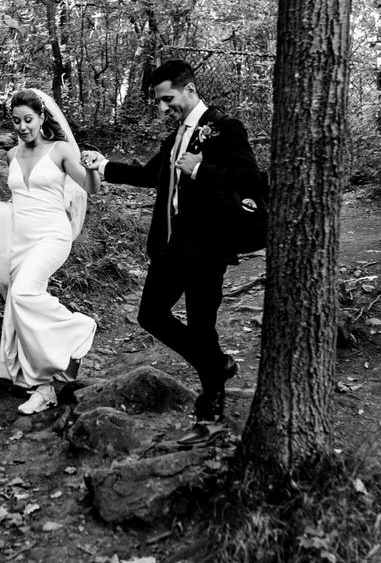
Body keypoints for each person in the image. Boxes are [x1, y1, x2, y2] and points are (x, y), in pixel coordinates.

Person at [81, 60, 260, 422]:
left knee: (201, 326)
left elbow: (249, 178)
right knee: (151, 315)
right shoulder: (177, 135)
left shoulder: (225, 128)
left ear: (190, 89)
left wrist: (199, 169)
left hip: (208, 247)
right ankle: (216, 364)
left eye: (168, 98)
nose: (164, 108)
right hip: (171, 244)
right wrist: (102, 165)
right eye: (160, 101)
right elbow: (151, 175)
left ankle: (211, 406)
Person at [0, 88, 100, 415]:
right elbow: (20, 196)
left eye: (28, 119)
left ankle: (78, 330)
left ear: (42, 118)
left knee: (22, 295)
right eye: (16, 120)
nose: (22, 126)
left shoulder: (61, 150)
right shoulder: (11, 156)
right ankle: (43, 388)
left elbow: (91, 188)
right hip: (21, 239)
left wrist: (91, 166)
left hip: (52, 236)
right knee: (19, 311)